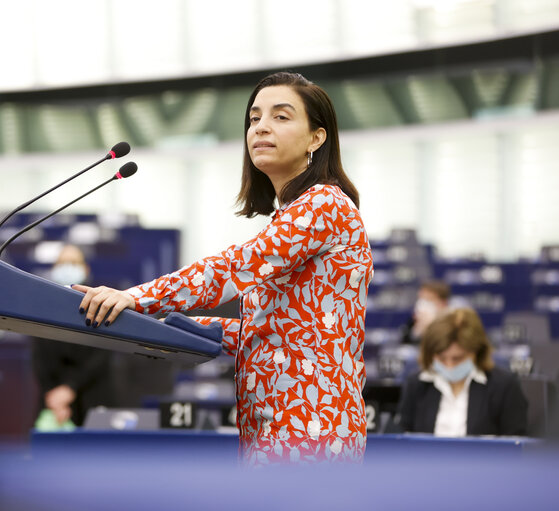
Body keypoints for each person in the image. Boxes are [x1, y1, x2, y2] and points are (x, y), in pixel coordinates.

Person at [74, 72, 373, 465]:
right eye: (254, 118)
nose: (261, 127)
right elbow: (283, 330)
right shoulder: (295, 214)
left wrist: (137, 298)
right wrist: (177, 327)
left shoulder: (324, 205)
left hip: (311, 431)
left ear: (316, 138)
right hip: (274, 427)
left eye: (281, 117)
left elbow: (232, 269)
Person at [396, 307, 527, 437]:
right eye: (441, 358)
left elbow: (515, 445)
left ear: (476, 351)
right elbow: (403, 440)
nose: (449, 365)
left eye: (458, 358)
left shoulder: (504, 385)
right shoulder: (416, 384)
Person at [32, 244, 111, 430]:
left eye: (74, 263)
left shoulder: (102, 305)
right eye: (63, 263)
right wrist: (56, 396)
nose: (68, 267)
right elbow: (39, 359)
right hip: (53, 403)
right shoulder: (42, 308)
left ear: (86, 269)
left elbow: (101, 355)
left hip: (93, 398)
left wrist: (70, 388)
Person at [401, 280, 450, 345]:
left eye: (428, 300)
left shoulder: (453, 322)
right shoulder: (412, 322)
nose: (422, 304)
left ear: (443, 303)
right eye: (421, 299)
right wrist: (417, 331)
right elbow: (405, 347)